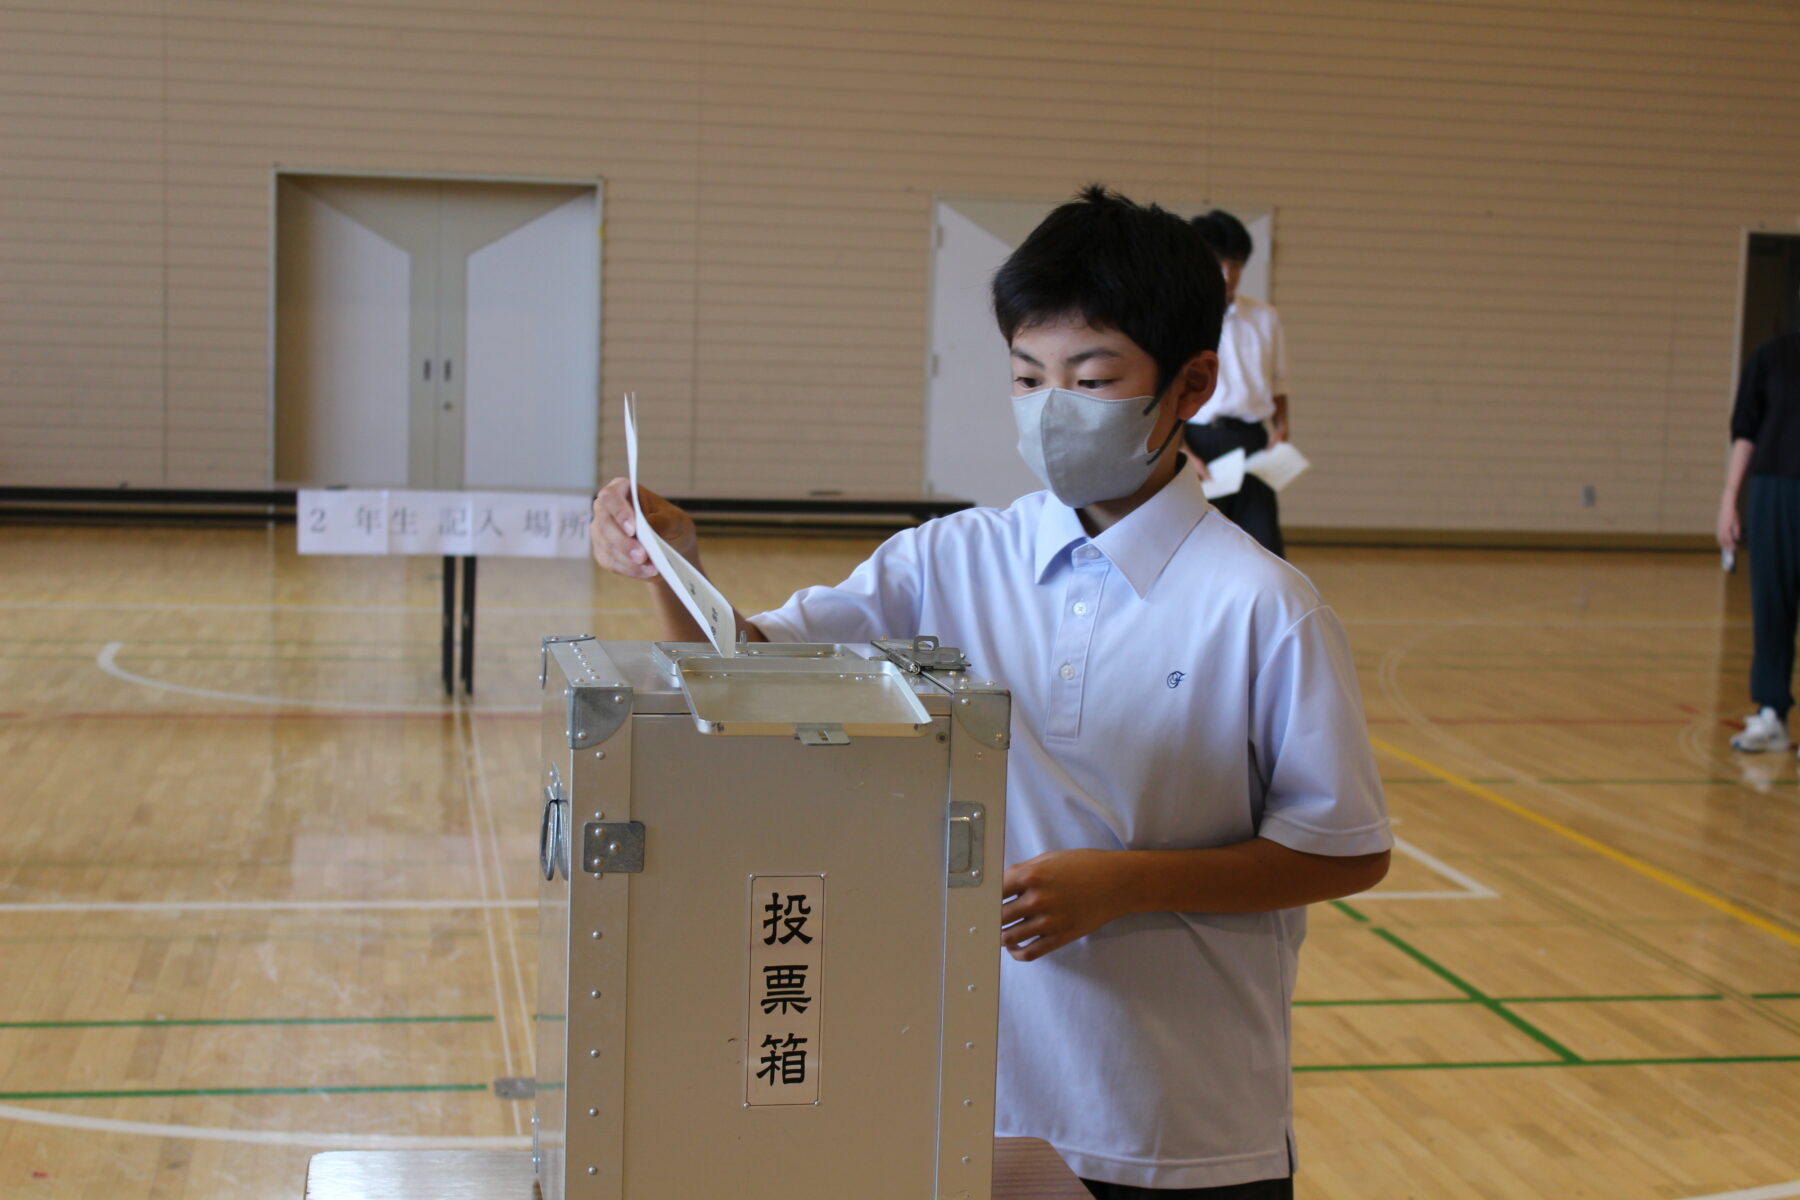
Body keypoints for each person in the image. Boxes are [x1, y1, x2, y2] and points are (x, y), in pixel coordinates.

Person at [590, 185, 1391, 1197]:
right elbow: (752, 677)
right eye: (1025, 375)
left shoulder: (1262, 607)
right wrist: (670, 562)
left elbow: (1347, 847)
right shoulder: (951, 562)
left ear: (1190, 386)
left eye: (1091, 378)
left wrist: (1128, 881)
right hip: (979, 1110)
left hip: (1180, 1125)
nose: (1050, 408)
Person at [1184, 210, 1290, 558]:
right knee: (1198, 544)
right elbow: (1168, 391)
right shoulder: (1183, 317)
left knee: (1263, 548)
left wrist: (1282, 427)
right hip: (1199, 439)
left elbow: (1277, 383)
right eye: (1219, 264)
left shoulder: (1265, 317)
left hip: (1251, 442)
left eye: (1236, 265)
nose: (1228, 275)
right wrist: (1182, 450)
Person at [1719, 325, 1800, 754]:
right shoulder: (1772, 356)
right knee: (1772, 600)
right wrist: (1730, 498)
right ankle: (1771, 712)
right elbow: (1746, 428)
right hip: (1774, 490)